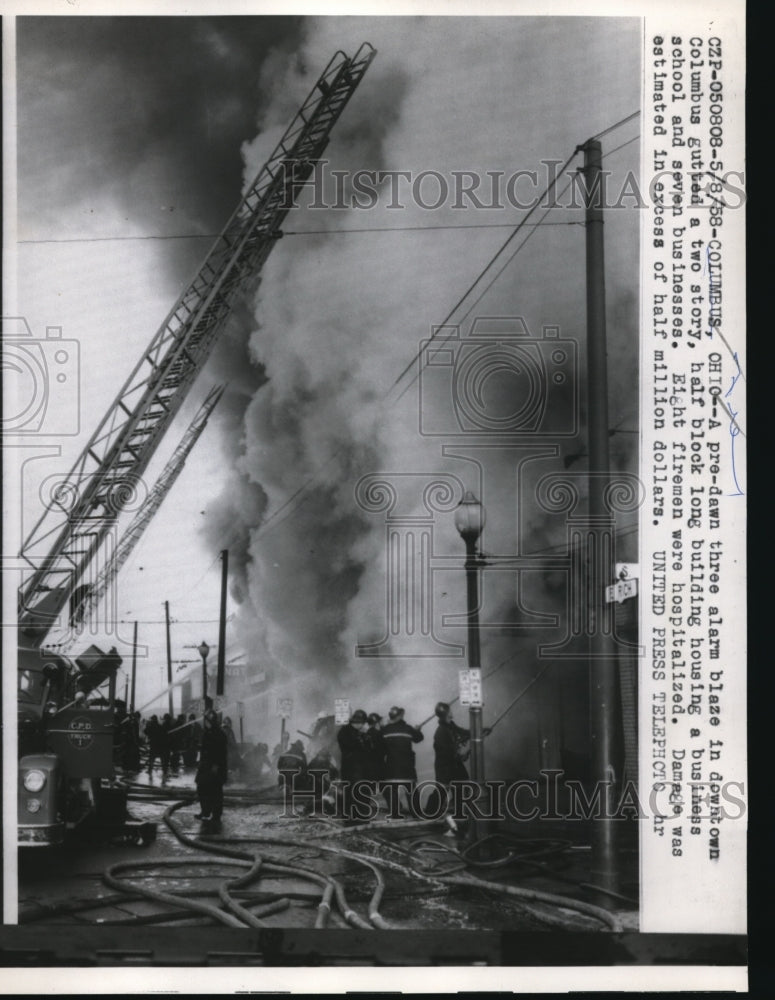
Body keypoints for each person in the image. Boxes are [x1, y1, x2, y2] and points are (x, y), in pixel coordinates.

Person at [433, 701, 471, 836]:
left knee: (462, 790)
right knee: (441, 795)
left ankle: (454, 823)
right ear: (447, 713)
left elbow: (463, 732)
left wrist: (479, 731)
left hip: (454, 767)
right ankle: (435, 820)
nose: (451, 711)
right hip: (446, 769)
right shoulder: (440, 733)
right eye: (450, 710)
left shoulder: (450, 726)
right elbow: (447, 753)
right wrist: (459, 753)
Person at [381, 706, 424, 818]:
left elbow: (380, 748)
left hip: (391, 766)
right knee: (411, 790)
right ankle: (417, 814)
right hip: (407, 767)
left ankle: (395, 814)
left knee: (392, 790)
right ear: (400, 716)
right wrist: (418, 730)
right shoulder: (408, 729)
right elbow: (419, 738)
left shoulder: (384, 730)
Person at [336, 709, 371, 825]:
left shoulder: (355, 732)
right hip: (352, 768)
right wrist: (362, 737)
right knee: (356, 793)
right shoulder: (345, 732)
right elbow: (352, 746)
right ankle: (355, 818)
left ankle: (357, 817)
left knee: (355, 793)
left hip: (358, 768)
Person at [195, 710, 228, 826]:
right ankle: (205, 812)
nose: (205, 722)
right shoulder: (207, 733)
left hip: (215, 768)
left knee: (215, 791)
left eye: (206, 720)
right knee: (202, 788)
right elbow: (204, 750)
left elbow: (221, 753)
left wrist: (216, 766)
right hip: (205, 766)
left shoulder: (219, 734)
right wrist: (200, 762)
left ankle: (216, 815)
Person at [277, 739, 308, 814]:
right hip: (294, 778)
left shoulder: (285, 754)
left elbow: (278, 766)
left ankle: (285, 792)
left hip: (281, 778)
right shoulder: (301, 754)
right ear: (300, 748)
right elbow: (305, 769)